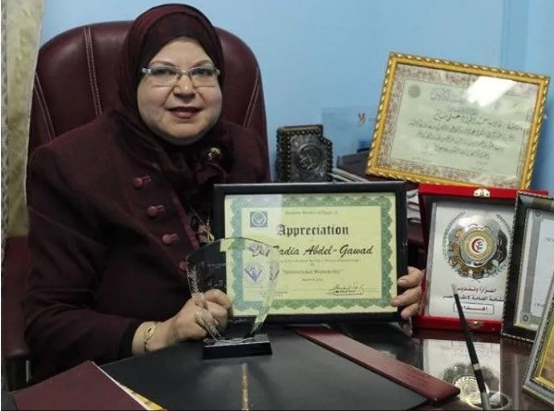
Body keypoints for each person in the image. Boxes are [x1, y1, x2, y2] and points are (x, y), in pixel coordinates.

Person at [22, 3, 422, 381]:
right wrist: (160, 334)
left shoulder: (242, 148)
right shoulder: (69, 165)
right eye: (162, 72)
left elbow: (283, 266)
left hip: (253, 366)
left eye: (202, 72)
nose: (185, 88)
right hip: (137, 374)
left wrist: (383, 286)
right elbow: (48, 322)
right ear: (132, 79)